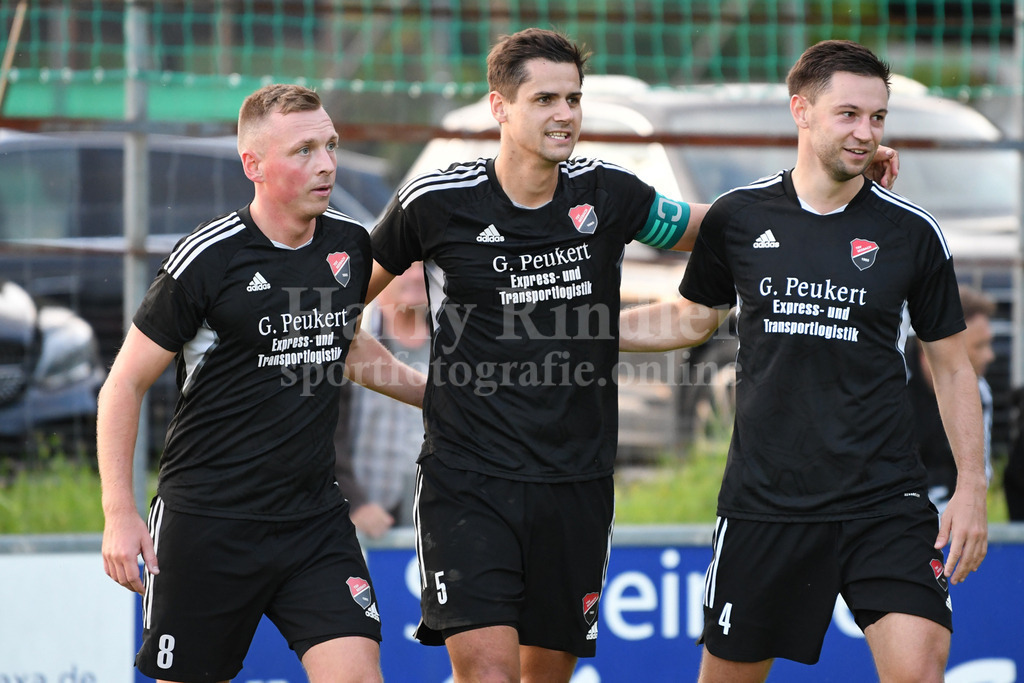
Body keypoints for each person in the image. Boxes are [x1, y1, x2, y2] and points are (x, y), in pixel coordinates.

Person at [362, 28, 900, 683]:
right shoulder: (435, 202)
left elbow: (733, 226)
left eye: (574, 98)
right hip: (467, 480)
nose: (565, 114)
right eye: (545, 99)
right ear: (500, 107)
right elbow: (334, 310)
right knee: (489, 672)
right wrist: (424, 389)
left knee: (542, 675)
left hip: (576, 483)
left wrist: (838, 177)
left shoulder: (610, 195)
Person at [619, 40, 987, 682]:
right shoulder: (739, 216)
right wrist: (580, 333)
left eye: (877, 118)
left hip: (885, 501)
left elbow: (954, 367)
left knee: (920, 672)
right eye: (848, 114)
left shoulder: (912, 233)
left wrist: (972, 488)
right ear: (801, 111)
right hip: (767, 503)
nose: (865, 132)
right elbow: (689, 319)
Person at [97, 83, 424, 683]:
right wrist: (119, 512)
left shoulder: (350, 245)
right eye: (303, 150)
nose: (325, 163)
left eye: (330, 145)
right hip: (208, 523)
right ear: (253, 165)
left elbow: (339, 339)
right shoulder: (207, 258)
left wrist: (435, 394)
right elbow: (122, 384)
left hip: (314, 521)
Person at [335, 264, 430, 537]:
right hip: (369, 523)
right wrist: (354, 502)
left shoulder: (449, 339)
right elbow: (325, 432)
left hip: (432, 515)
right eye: (405, 267)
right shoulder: (350, 343)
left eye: (422, 268)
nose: (414, 277)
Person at [909, 284, 996, 514]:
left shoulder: (981, 391)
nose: (990, 355)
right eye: (980, 346)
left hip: (947, 524)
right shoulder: (891, 380)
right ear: (942, 345)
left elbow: (980, 477)